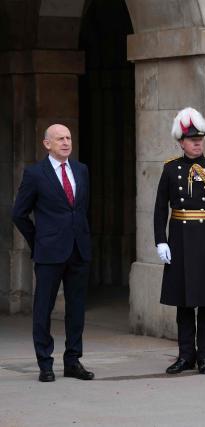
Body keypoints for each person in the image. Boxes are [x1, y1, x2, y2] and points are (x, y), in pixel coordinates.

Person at [154, 107, 205, 375]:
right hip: (179, 239)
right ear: (181, 142)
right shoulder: (170, 169)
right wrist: (160, 241)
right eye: (192, 139)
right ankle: (185, 356)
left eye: (200, 138)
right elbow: (159, 208)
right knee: (184, 301)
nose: (197, 142)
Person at [12, 124, 94, 382]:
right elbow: (19, 213)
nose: (66, 142)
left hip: (78, 250)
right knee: (43, 308)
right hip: (49, 251)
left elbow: (80, 209)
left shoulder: (81, 170)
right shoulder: (35, 173)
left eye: (68, 137)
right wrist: (38, 240)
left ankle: (73, 360)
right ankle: (45, 363)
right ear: (47, 144)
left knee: (77, 308)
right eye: (60, 139)